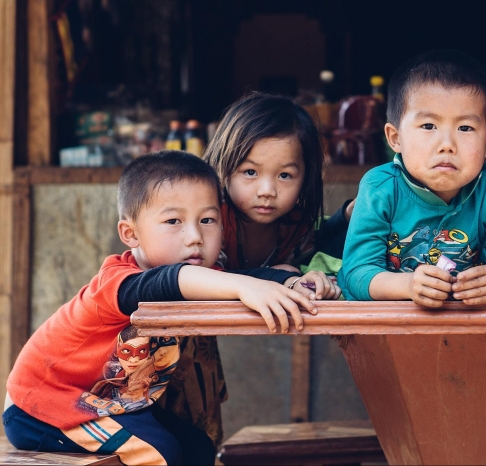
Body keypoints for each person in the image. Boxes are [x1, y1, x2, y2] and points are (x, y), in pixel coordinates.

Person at [3, 151, 318, 465]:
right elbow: (170, 280)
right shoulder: (118, 282)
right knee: (160, 453)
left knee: (198, 448)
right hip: (44, 406)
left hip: (108, 402)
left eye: (207, 220)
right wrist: (244, 287)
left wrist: (290, 281)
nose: (195, 237)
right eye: (173, 221)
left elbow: (240, 277)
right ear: (131, 234)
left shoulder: (200, 277)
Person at [160, 92, 352, 445]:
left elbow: (314, 242)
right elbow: (212, 279)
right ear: (223, 165)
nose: (267, 190)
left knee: (200, 433)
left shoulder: (295, 219)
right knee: (164, 427)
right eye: (250, 172)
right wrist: (284, 276)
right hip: (160, 342)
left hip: (202, 347)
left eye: (285, 175)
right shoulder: (212, 218)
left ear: (306, 176)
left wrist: (348, 218)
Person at [338, 49, 486, 306]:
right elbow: (356, 274)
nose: (447, 145)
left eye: (465, 128)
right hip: (390, 331)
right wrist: (407, 285)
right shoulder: (380, 188)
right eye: (429, 126)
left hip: (474, 328)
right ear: (395, 138)